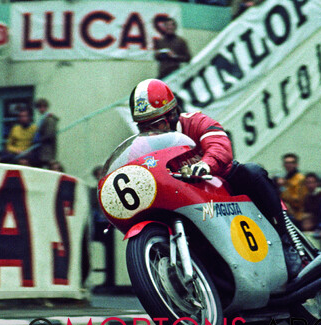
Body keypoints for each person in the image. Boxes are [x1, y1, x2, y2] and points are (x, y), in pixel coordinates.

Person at [128, 78, 303, 279]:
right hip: (189, 201)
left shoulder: (195, 121)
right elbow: (136, 172)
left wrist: (205, 164)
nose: (149, 132)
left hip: (223, 184)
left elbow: (219, 143)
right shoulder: (142, 145)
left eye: (155, 124)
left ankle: (284, 238)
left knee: (253, 172)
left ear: (172, 115)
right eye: (143, 127)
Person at [31, 98, 58, 168]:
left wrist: (39, 140)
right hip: (41, 150)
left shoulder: (49, 119)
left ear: (47, 107)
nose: (41, 109)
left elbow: (49, 134)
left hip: (47, 150)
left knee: (47, 167)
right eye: (40, 107)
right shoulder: (42, 118)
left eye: (44, 107)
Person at [280, 153, 305, 221]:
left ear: (296, 164)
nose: (289, 165)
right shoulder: (285, 178)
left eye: (291, 163)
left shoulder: (300, 178)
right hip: (287, 212)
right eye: (287, 163)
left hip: (297, 215)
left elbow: (299, 199)